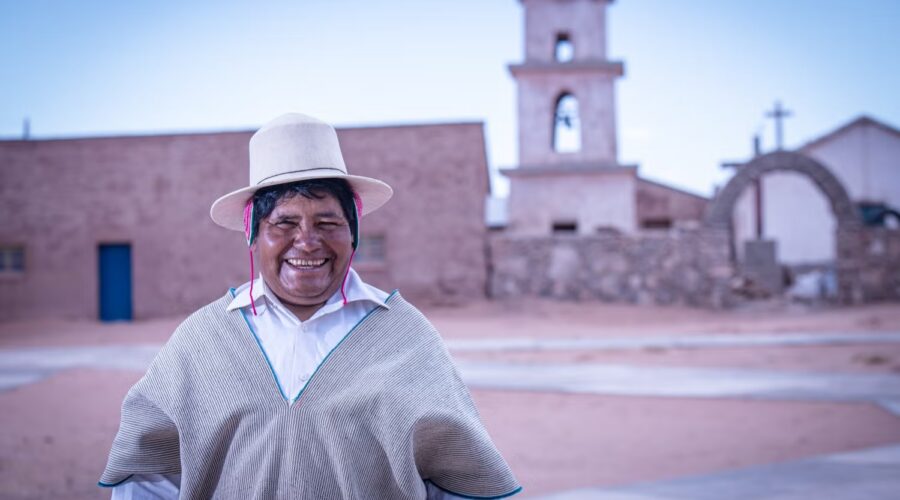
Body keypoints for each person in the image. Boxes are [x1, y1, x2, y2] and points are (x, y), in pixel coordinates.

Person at [97, 113, 521, 499]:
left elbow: (460, 482)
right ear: (253, 235)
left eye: (327, 222)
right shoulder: (201, 341)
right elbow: (148, 477)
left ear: (353, 234)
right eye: (284, 223)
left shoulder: (406, 336)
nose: (307, 241)